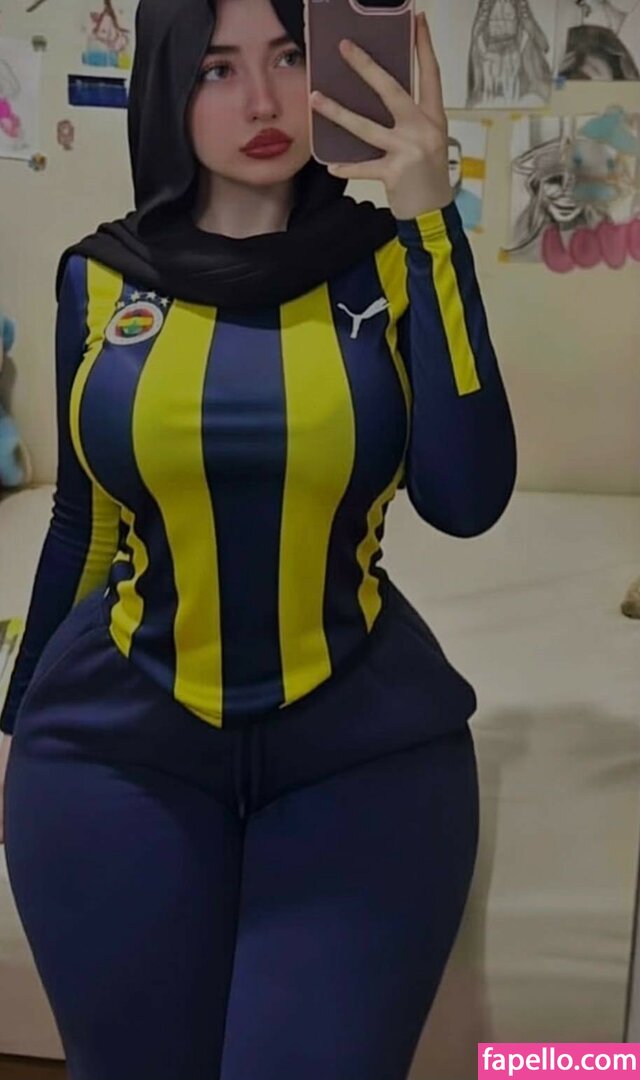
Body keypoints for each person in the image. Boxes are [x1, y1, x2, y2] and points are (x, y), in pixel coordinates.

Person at [0, 0, 517, 1076]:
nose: (263, 102)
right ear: (166, 85)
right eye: (217, 68)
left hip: (364, 751)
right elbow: (86, 520)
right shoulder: (98, 276)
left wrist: (432, 214)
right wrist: (12, 725)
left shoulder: (387, 261)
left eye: (287, 57)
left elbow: (467, 498)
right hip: (112, 751)